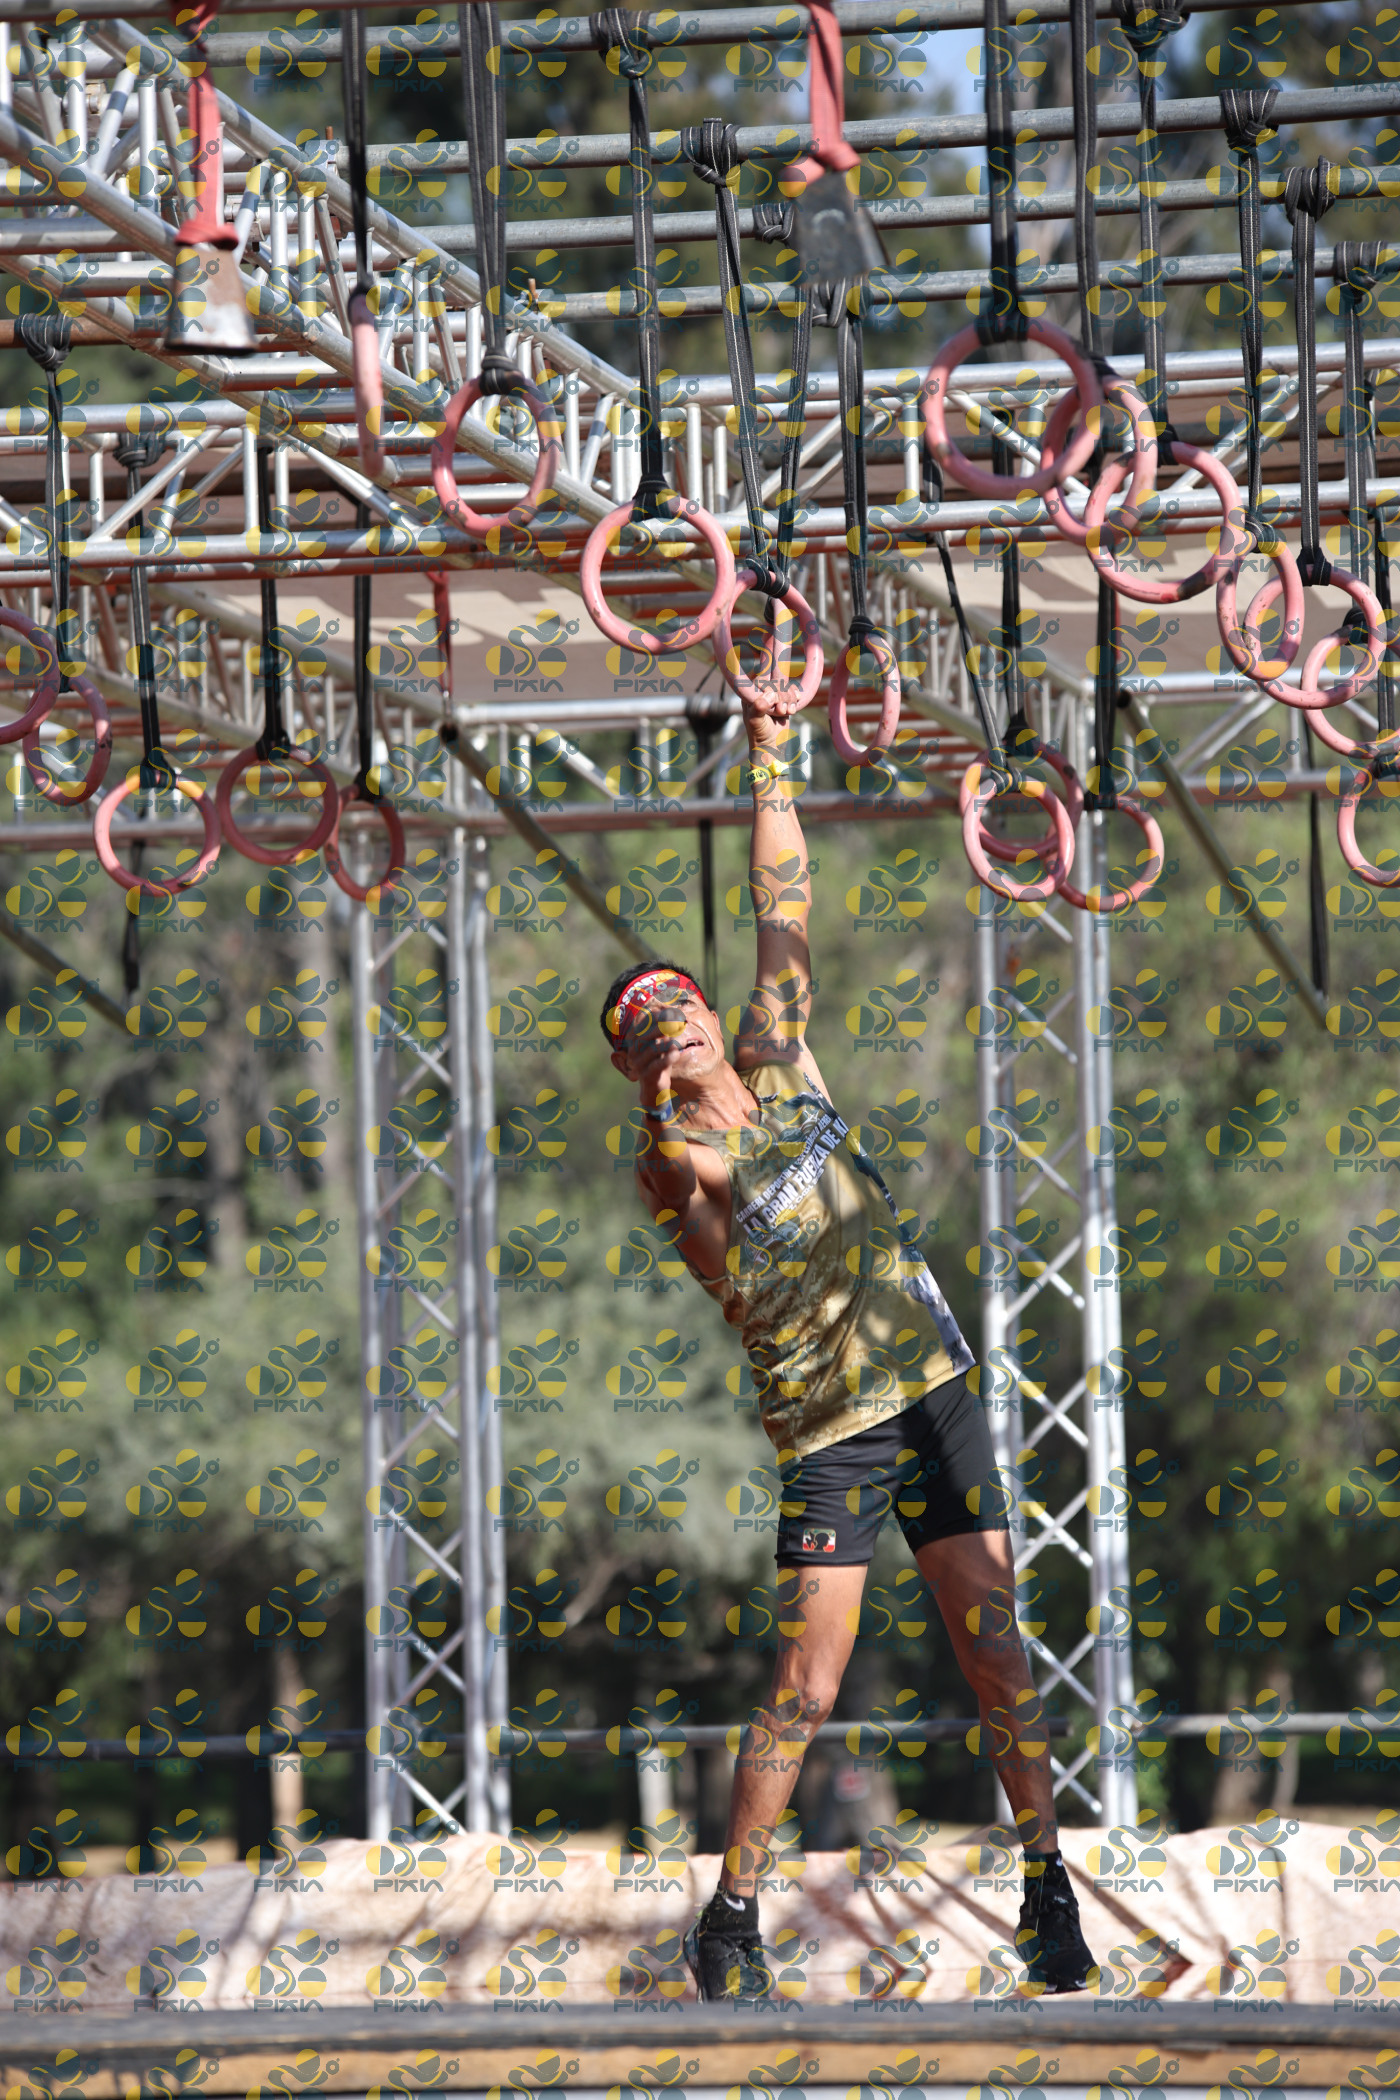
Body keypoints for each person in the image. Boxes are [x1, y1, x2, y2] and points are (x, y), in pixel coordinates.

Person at [599, 691, 1098, 2003]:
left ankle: (1047, 1885)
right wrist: (655, 1106)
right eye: (646, 1027)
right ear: (636, 1065)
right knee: (807, 1683)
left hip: (931, 1382)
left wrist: (771, 747)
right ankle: (731, 1918)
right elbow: (685, 1194)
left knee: (995, 1647)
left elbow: (783, 904)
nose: (674, 1022)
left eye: (679, 1002)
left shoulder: (780, 1061)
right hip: (832, 1430)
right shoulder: (675, 1158)